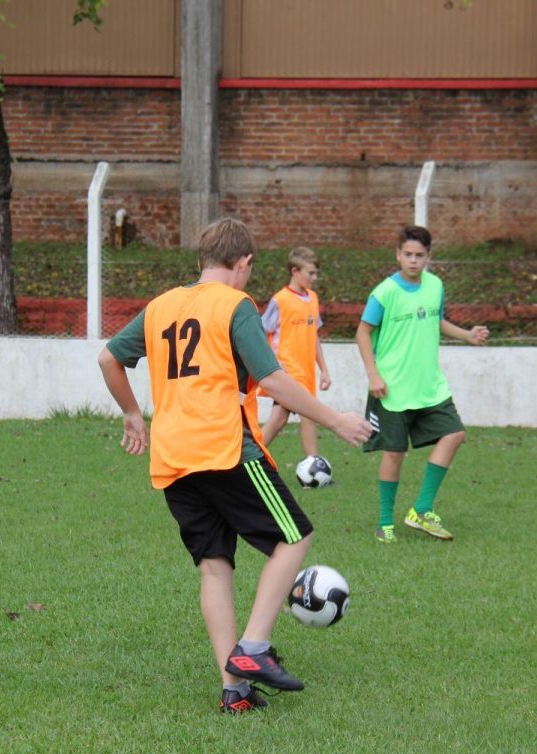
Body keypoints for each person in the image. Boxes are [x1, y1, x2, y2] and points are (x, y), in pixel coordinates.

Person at [97, 218, 371, 715]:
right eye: (249, 269)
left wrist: (133, 414)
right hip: (226, 451)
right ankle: (254, 649)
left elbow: (108, 357)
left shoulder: (160, 307)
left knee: (215, 567)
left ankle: (234, 692)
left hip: (174, 461)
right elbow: (275, 380)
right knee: (295, 537)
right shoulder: (235, 306)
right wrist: (335, 420)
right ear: (242, 263)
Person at [354, 225, 489, 544]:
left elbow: (435, 320)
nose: (413, 261)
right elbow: (362, 332)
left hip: (430, 386)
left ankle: (422, 509)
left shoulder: (435, 286)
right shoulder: (384, 292)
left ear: (429, 257)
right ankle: (385, 522)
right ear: (398, 255)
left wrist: (467, 335)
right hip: (392, 387)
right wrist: (373, 374)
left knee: (455, 433)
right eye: (408, 255)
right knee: (394, 453)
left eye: (420, 255)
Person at [259, 247, 331, 457]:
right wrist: (272, 365)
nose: (314, 278)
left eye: (316, 273)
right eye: (310, 273)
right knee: (305, 415)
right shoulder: (280, 300)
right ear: (294, 271)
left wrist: (324, 369)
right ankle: (314, 466)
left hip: (305, 372)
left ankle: (247, 461)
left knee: (279, 420)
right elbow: (262, 334)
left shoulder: (313, 298)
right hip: (288, 371)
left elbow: (313, 336)